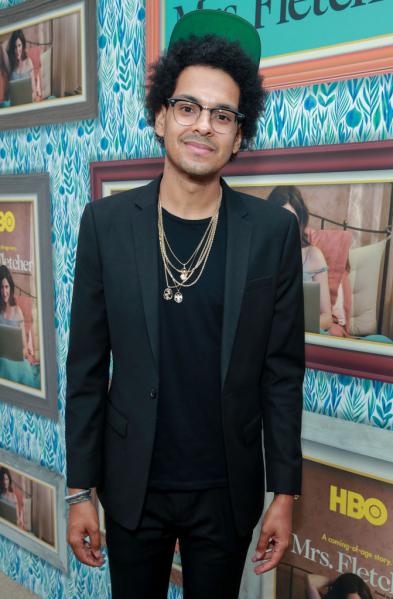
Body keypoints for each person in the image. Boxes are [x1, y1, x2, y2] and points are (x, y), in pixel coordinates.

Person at [66, 10, 304, 599]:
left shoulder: (272, 233)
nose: (203, 126)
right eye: (188, 107)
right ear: (160, 116)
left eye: (223, 115)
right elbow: (86, 369)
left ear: (239, 136)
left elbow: (281, 375)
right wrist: (78, 491)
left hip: (226, 489)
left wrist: (285, 492)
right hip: (132, 483)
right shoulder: (106, 225)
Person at [267, 186, 333, 330]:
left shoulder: (313, 255)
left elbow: (327, 318)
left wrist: (296, 328)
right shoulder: (261, 255)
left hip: (305, 334)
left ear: (300, 221)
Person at [0, 264, 39, 388]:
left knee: (23, 370)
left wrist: (22, 354)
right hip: (2, 360)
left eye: (6, 287)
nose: (4, 292)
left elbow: (25, 348)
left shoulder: (17, 312)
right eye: (1, 287)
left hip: (17, 361)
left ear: (10, 288)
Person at [6, 30, 39, 103]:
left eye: (19, 45)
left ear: (23, 45)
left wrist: (30, 99)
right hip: (15, 103)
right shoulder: (10, 63)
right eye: (15, 47)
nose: (17, 50)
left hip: (28, 102)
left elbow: (34, 91)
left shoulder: (29, 62)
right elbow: (9, 93)